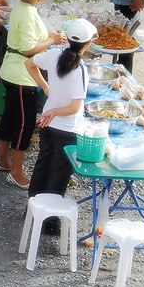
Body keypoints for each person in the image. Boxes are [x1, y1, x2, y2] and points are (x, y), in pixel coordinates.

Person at [0, 0, 66, 189]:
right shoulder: (26, 12)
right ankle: (16, 171)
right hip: (22, 75)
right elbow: (28, 49)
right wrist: (52, 41)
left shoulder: (23, 7)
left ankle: (2, 161)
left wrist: (49, 38)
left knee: (9, 117)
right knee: (23, 125)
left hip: (11, 70)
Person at [25, 18, 96, 199]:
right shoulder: (79, 70)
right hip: (67, 129)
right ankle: (50, 221)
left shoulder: (54, 54)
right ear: (87, 44)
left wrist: (46, 87)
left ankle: (34, 206)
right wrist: (55, 111)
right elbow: (75, 107)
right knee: (59, 173)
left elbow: (29, 64)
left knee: (43, 164)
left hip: (48, 126)